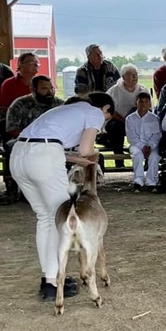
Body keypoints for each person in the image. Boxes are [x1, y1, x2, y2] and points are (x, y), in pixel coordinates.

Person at [10, 91, 115, 301]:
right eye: (106, 119)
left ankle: (49, 279)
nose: (101, 125)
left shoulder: (64, 110)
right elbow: (86, 149)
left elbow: (51, 144)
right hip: (43, 157)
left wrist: (77, 157)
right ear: (105, 109)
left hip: (19, 155)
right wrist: (92, 156)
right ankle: (54, 280)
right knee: (63, 219)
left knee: (46, 217)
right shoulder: (94, 112)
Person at [1, 76, 64, 205]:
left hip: (54, 142)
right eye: (44, 88)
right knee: (11, 147)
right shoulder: (20, 104)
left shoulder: (60, 105)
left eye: (51, 88)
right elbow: (12, 128)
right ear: (33, 89)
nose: (49, 91)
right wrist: (31, 139)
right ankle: (11, 191)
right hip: (25, 141)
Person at [105, 64, 150, 168]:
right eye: (131, 75)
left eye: (136, 75)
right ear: (124, 77)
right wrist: (125, 120)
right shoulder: (114, 90)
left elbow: (149, 107)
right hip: (119, 121)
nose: (135, 77)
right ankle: (119, 161)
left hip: (138, 121)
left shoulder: (143, 89)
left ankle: (148, 159)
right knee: (116, 127)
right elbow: (109, 110)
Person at [126, 92, 162, 192]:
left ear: (150, 104)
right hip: (136, 145)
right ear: (136, 103)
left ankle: (151, 182)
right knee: (137, 155)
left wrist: (150, 146)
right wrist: (142, 146)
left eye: (146, 102)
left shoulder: (154, 118)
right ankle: (138, 182)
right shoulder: (130, 119)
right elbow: (131, 136)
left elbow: (157, 135)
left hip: (152, 145)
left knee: (154, 157)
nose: (143, 104)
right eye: (140, 101)